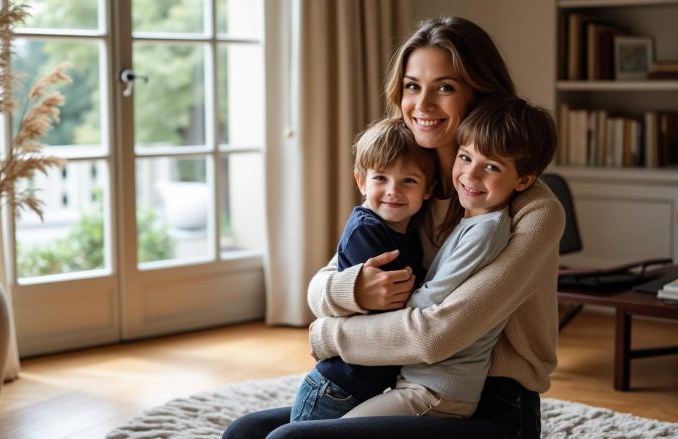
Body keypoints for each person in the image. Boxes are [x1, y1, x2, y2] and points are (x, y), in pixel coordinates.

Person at [224, 15, 564, 439]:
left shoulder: (532, 212)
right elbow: (322, 284)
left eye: (445, 87)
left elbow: (437, 335)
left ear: (481, 93)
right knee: (245, 432)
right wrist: (352, 289)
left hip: (490, 406)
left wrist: (331, 334)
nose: (422, 105)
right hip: (403, 382)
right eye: (412, 86)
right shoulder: (407, 187)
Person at [340, 96, 556, 420]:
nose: (471, 174)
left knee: (332, 430)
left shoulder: (487, 231)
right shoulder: (465, 219)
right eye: (465, 157)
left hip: (438, 392)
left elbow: (431, 305)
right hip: (416, 382)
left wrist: (374, 313)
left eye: (491, 167)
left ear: (524, 180)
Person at [291, 117, 439, 422]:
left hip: (368, 385)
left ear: (428, 189)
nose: (392, 191)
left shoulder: (409, 232)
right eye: (380, 178)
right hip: (337, 385)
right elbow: (398, 302)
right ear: (361, 182)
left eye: (408, 181)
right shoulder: (366, 230)